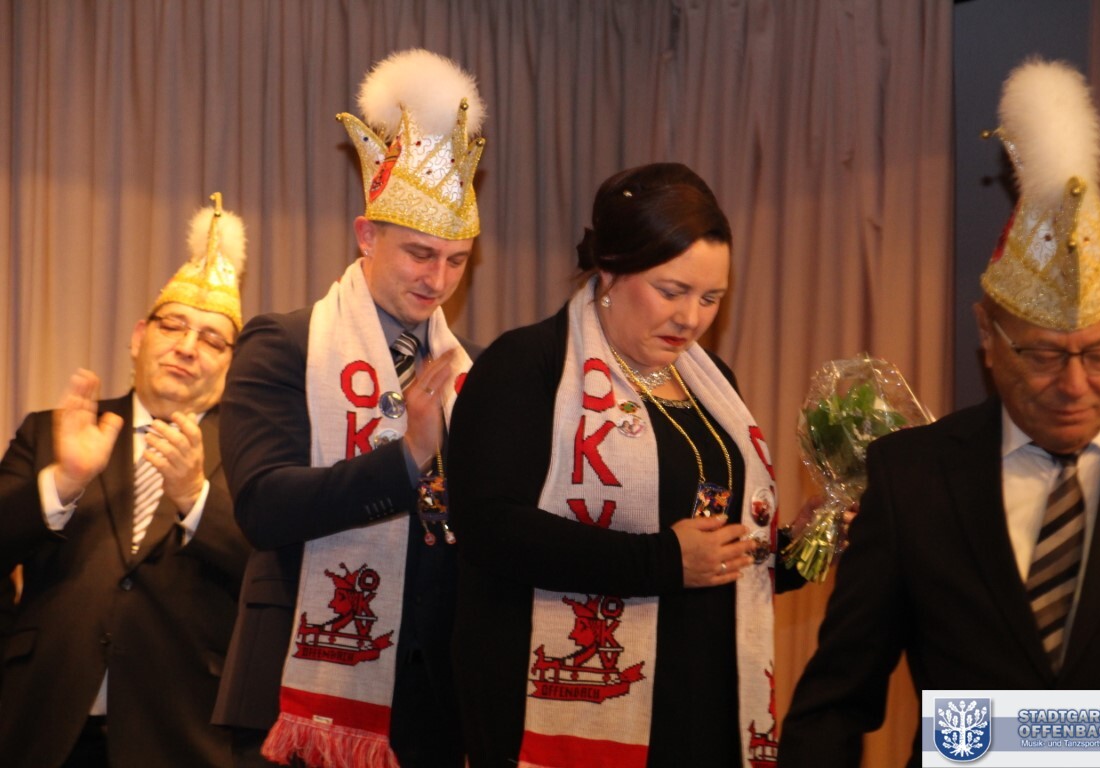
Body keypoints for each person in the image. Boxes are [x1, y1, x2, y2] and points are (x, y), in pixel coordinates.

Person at [778, 59, 1100, 768]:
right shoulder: (912, 477)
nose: (1075, 385)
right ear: (988, 335)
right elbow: (834, 703)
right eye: (1043, 356)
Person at [448, 162, 808, 768]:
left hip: (701, 705)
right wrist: (662, 561)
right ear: (610, 270)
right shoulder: (529, 365)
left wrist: (804, 548)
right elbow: (488, 528)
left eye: (711, 298)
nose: (691, 318)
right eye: (672, 291)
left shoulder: (713, 382)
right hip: (551, 693)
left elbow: (713, 548)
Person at [212, 49, 485, 768]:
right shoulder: (284, 343)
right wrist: (408, 459)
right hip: (294, 689)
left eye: (457, 260)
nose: (439, 280)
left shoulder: (473, 373)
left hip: (433, 704)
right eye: (420, 254)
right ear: (367, 236)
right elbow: (264, 506)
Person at [0, 193, 252, 767]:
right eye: (173, 326)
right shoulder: (52, 432)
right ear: (140, 336)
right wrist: (62, 484)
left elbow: (276, 575)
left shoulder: (252, 456)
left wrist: (196, 500)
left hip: (185, 735)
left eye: (212, 339)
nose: (187, 347)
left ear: (231, 364)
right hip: (43, 727)